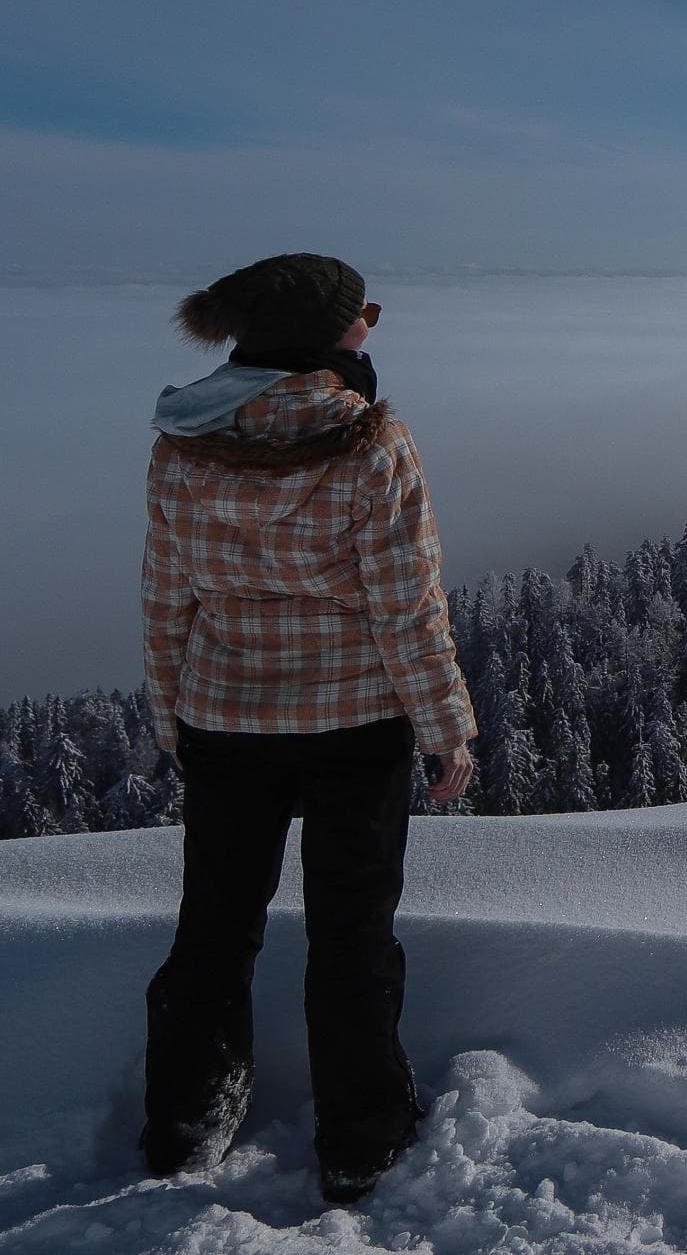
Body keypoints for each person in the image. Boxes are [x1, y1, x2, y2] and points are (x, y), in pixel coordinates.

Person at [136, 252, 479, 1205]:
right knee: (351, 936)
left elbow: (169, 599)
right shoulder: (373, 444)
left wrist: (170, 712)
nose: (372, 320)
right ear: (326, 336)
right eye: (361, 311)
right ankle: (361, 1140)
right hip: (355, 722)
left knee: (213, 928)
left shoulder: (179, 444)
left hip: (224, 717)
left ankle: (183, 1127)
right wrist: (445, 726)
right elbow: (407, 608)